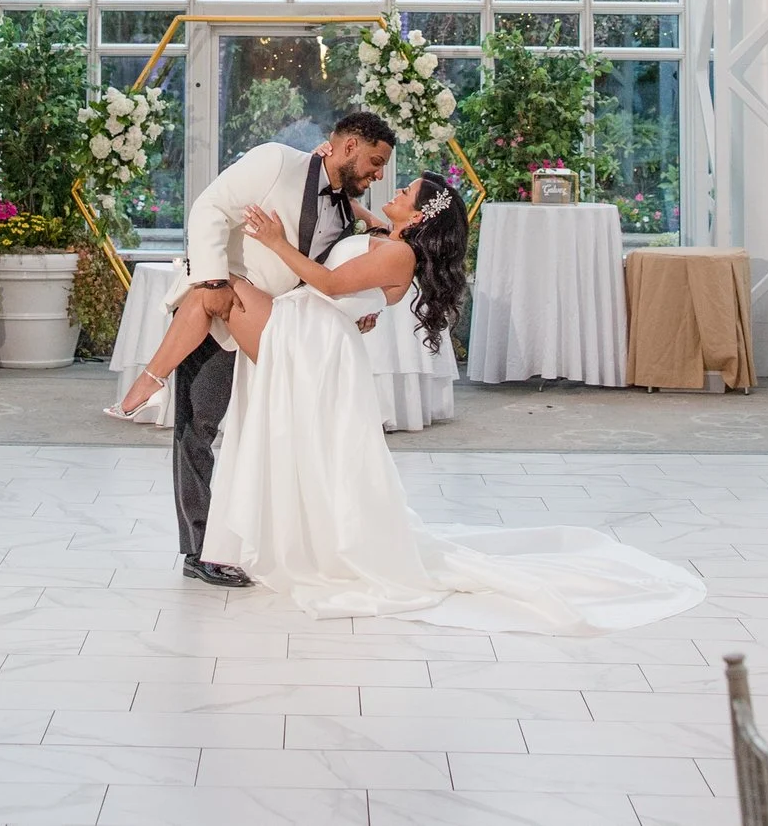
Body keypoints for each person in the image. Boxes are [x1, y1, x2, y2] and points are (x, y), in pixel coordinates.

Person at [201, 172, 705, 633]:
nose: (394, 193)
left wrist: (275, 242)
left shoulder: (399, 254)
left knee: (233, 305)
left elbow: (332, 283)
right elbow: (359, 239)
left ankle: (301, 536)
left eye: (405, 193)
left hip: (316, 345)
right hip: (318, 343)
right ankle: (293, 533)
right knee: (303, 446)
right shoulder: (391, 239)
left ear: (419, 215)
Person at [126, 112, 395, 588]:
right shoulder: (275, 161)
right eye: (376, 162)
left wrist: (359, 308)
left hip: (275, 325)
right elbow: (209, 208)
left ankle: (271, 540)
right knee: (201, 426)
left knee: (265, 436)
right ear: (350, 145)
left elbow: (326, 274)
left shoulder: (343, 208)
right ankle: (201, 548)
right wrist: (210, 281)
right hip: (220, 306)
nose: (378, 175)